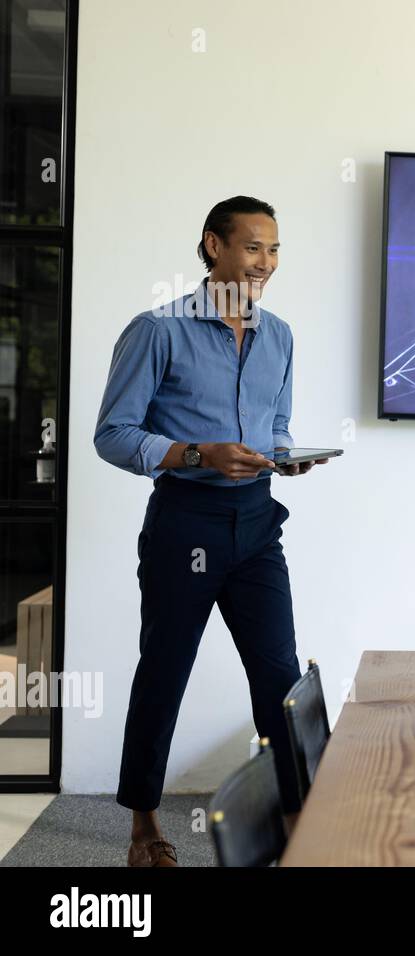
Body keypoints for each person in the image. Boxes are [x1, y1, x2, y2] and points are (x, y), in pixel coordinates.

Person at [93, 196, 331, 867]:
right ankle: (144, 827)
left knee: (280, 676)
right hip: (185, 526)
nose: (266, 262)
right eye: (253, 247)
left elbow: (275, 425)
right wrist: (198, 453)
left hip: (257, 524)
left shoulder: (280, 336)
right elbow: (113, 434)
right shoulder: (157, 330)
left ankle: (299, 821)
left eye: (274, 249)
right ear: (213, 246)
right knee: (165, 672)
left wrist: (285, 456)